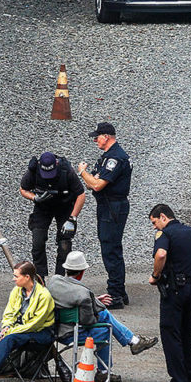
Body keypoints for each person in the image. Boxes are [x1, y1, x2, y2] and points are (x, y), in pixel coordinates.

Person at [47, 251, 158, 382]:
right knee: (106, 327)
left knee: (104, 315)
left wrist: (94, 301)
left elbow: (70, 298)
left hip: (57, 330)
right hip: (72, 333)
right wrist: (95, 305)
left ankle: (132, 342)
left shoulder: (53, 282)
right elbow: (89, 321)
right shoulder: (83, 294)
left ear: (66, 269)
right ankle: (105, 370)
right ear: (82, 272)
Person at [148, 204, 191, 382]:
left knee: (171, 333)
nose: (154, 227)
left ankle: (178, 381)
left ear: (163, 217)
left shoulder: (165, 234)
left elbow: (161, 254)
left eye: (154, 222)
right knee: (187, 333)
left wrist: (156, 275)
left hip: (174, 290)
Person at [77, 122, 133, 309]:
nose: (95, 140)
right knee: (110, 247)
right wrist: (89, 178)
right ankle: (119, 290)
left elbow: (97, 184)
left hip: (113, 206)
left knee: (110, 249)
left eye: (98, 137)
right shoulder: (108, 157)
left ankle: (115, 294)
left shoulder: (115, 158)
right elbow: (93, 182)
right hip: (108, 205)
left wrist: (82, 172)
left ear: (107, 136)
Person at [19, 151, 85, 277]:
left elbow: (81, 195)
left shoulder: (66, 170)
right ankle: (40, 277)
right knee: (37, 241)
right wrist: (34, 198)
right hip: (43, 207)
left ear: (56, 164)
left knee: (64, 243)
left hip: (64, 207)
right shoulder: (33, 170)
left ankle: (60, 278)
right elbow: (23, 189)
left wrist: (72, 218)